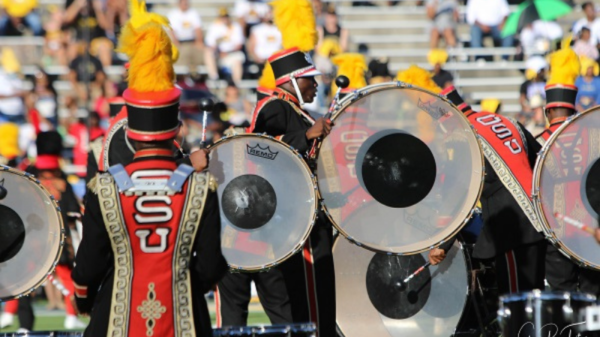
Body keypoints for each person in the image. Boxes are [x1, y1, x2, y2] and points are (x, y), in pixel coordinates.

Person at [72, 2, 227, 336]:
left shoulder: (106, 187)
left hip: (117, 319)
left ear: (129, 133)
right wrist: (181, 285)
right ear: (175, 130)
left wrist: (84, 299)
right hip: (185, 319)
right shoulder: (201, 186)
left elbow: (88, 265)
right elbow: (213, 265)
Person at [430, 84, 546, 295]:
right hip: (540, 220)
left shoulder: (466, 137)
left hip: (510, 229)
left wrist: (442, 244)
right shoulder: (506, 121)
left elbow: (461, 194)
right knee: (535, 298)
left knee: (516, 301)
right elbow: (542, 161)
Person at [537, 48, 600, 297]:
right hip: (592, 229)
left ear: (547, 112)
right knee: (593, 297)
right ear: (574, 111)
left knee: (560, 296)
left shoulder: (538, 143)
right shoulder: (595, 136)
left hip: (557, 232)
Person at [26, 131, 87, 329]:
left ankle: (15, 317)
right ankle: (71, 314)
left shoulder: (29, 172)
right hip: (56, 232)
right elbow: (71, 208)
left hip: (31, 231)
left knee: (23, 275)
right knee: (66, 275)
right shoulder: (61, 176)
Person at [204, 8, 245, 83]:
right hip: (218, 54)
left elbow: (239, 44)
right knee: (208, 53)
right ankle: (214, 77)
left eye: (226, 16)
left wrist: (227, 53)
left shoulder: (236, 26)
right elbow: (210, 43)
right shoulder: (214, 26)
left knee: (238, 61)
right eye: (222, 17)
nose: (224, 19)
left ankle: (236, 84)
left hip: (232, 54)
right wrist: (219, 52)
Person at [168, 0, 205, 72]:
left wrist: (199, 42)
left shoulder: (193, 12)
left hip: (192, 42)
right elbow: (172, 30)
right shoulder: (173, 14)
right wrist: (176, 43)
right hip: (180, 42)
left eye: (186, 3)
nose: (185, 5)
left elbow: (198, 29)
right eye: (183, 3)